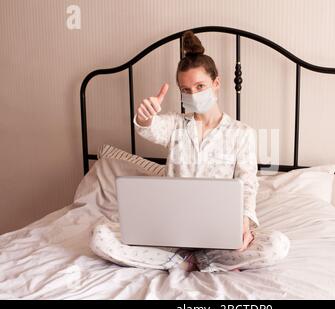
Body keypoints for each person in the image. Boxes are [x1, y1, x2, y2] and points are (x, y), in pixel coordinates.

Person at [90, 31, 290, 273]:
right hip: (171, 233)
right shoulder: (175, 125)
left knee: (277, 246)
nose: (193, 94)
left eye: (200, 86)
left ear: (216, 84)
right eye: (186, 89)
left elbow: (248, 184)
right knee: (100, 236)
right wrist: (145, 117)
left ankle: (206, 260)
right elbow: (149, 127)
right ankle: (181, 262)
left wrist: (243, 224)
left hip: (219, 234)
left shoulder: (241, 133)